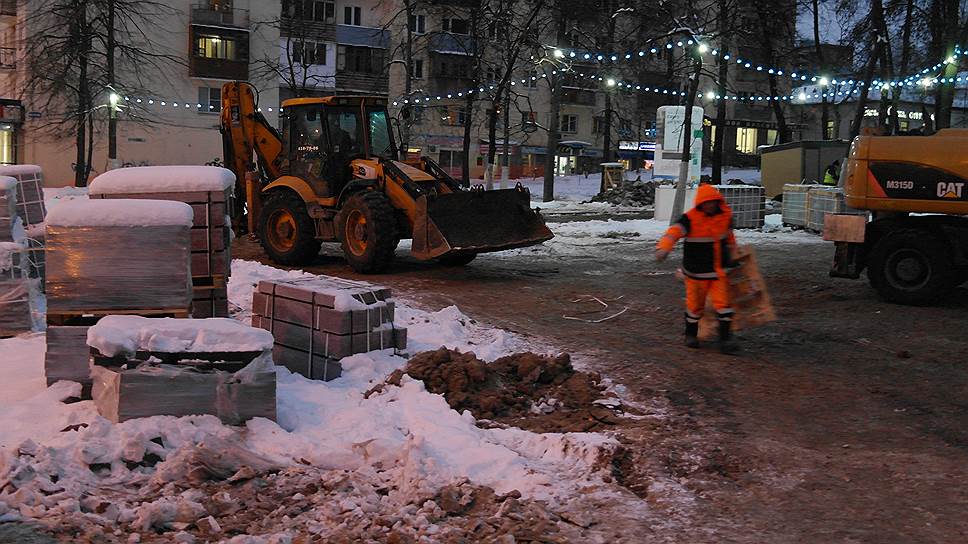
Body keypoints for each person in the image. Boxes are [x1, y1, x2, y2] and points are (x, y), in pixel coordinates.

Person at [656, 185, 740, 354]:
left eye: (712, 203)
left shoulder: (725, 217)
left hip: (718, 272)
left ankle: (725, 340)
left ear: (717, 202)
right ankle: (691, 335)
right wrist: (663, 249)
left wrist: (734, 255)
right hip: (696, 273)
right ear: (700, 203)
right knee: (694, 307)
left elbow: (729, 238)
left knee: (724, 305)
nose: (709, 206)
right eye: (706, 203)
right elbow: (673, 233)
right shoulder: (689, 219)